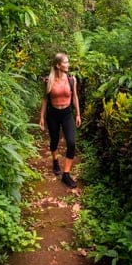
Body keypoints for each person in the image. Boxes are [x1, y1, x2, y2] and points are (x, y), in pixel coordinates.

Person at [39, 52, 81, 188]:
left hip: (67, 114)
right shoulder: (48, 81)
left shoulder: (72, 80)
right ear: (58, 65)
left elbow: (75, 97)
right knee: (54, 140)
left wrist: (78, 114)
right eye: (66, 62)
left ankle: (66, 175)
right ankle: (55, 161)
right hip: (53, 115)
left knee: (71, 142)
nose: (68, 64)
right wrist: (41, 117)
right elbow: (45, 99)